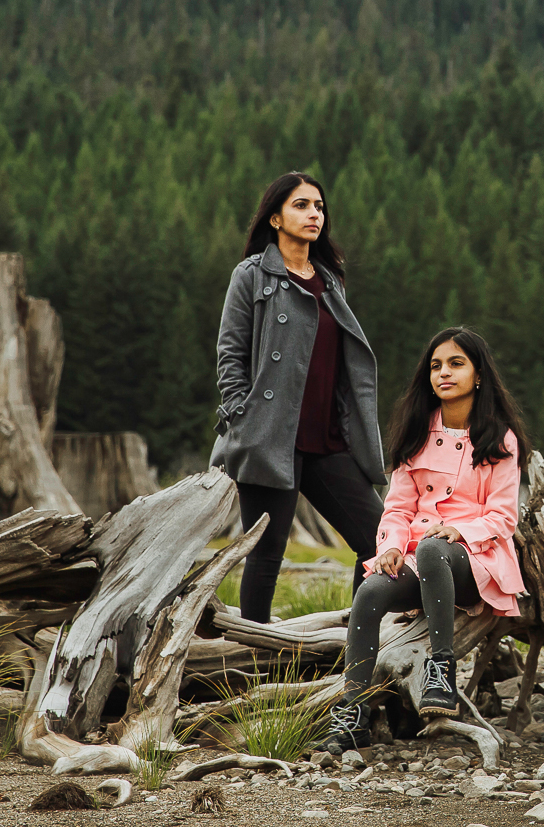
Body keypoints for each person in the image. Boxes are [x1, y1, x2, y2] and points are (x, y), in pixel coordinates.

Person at [323, 327, 527, 756]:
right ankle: (353, 707)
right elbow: (397, 508)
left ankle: (441, 670)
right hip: (419, 557)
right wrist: (391, 548)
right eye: (436, 365)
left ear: (478, 374)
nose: (443, 373)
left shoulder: (499, 437)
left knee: (437, 547)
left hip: (477, 558)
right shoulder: (417, 433)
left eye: (456, 363)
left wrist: (461, 530)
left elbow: (503, 516)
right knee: (372, 589)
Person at [211, 171, 387, 624]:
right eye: (302, 205)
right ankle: (250, 656)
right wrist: (240, 416)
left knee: (378, 537)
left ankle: (357, 645)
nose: (315, 214)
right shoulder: (252, 275)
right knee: (266, 554)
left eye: (319, 207)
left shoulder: (331, 282)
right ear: (275, 218)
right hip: (270, 438)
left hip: (328, 442)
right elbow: (230, 352)